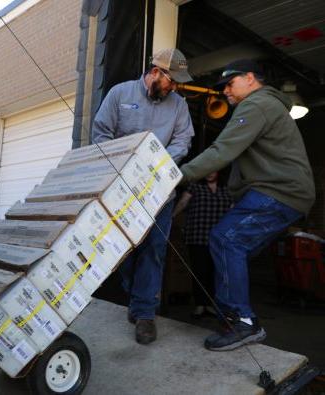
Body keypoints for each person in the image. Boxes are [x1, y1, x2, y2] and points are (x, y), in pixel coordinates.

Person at [180, 59, 315, 351]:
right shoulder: (266, 107)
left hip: (279, 191)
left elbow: (223, 150)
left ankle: (242, 321)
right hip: (282, 193)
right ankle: (232, 318)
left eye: (230, 83)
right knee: (232, 249)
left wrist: (178, 175)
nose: (225, 91)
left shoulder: (257, 104)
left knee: (226, 240)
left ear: (251, 78)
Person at [92, 48, 194, 344]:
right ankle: (136, 294)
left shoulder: (179, 106)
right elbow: (101, 134)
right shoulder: (119, 94)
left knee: (153, 248)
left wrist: (154, 163)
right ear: (155, 72)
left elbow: (183, 140)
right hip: (121, 188)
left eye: (176, 83)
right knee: (123, 248)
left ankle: (145, 312)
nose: (174, 87)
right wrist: (124, 167)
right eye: (171, 80)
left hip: (160, 189)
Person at [173, 171, 232, 319]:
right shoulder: (195, 186)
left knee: (215, 271)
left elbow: (233, 208)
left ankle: (211, 304)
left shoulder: (227, 189)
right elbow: (183, 202)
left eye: (214, 170)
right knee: (199, 271)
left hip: (218, 239)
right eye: (207, 170)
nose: (209, 173)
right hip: (197, 236)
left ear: (219, 171)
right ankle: (200, 304)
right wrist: (171, 217)